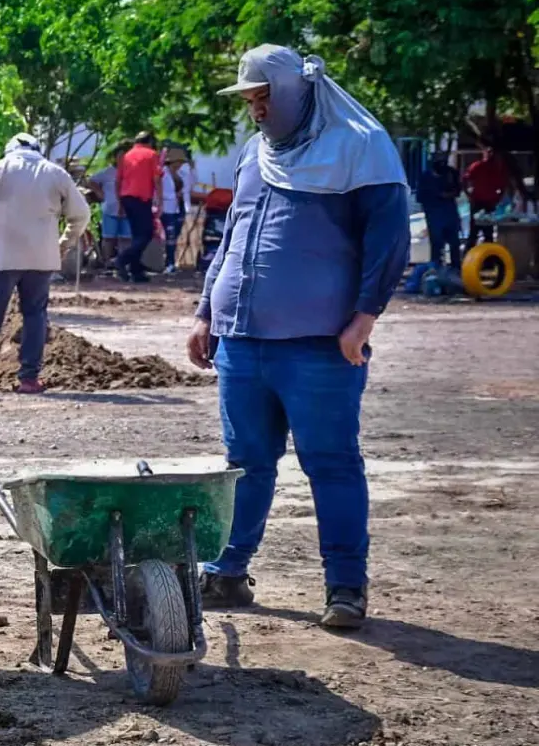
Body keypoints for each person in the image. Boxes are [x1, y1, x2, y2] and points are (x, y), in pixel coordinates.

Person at [188, 45, 410, 630]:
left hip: (321, 346)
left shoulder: (359, 149)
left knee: (331, 463)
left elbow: (389, 241)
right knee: (245, 463)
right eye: (250, 101)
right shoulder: (255, 155)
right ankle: (229, 572)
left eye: (265, 98)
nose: (257, 111)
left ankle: (345, 588)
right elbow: (233, 235)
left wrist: (365, 318)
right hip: (241, 342)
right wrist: (206, 310)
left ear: (295, 93)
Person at [0, 133, 90, 394]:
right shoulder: (55, 173)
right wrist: (63, 243)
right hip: (41, 259)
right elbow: (81, 214)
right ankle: (29, 378)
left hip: (2, 257)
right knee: (35, 314)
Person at [116, 131, 162, 283]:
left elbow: (118, 180)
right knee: (147, 233)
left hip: (127, 197)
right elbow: (157, 179)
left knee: (137, 235)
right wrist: (160, 201)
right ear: (149, 141)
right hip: (141, 198)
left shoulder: (127, 155)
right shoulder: (151, 154)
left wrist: (119, 203)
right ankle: (122, 260)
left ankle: (136, 271)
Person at [87, 140, 133, 269]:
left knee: (126, 238)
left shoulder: (132, 173)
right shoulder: (107, 172)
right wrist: (99, 192)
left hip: (127, 210)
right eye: (120, 156)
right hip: (110, 210)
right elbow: (91, 181)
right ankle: (107, 262)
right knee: (109, 238)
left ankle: (124, 263)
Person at [416, 153, 462, 269]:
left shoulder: (451, 173)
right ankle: (436, 270)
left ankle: (455, 269)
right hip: (434, 214)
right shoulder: (426, 177)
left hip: (450, 213)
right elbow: (420, 197)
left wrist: (448, 195)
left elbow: (457, 191)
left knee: (454, 243)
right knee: (437, 244)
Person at [464, 146, 509, 247]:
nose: (490, 154)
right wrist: (468, 194)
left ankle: (488, 260)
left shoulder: (497, 169)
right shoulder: (477, 166)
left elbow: (502, 186)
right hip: (477, 202)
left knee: (488, 234)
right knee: (473, 232)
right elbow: (465, 179)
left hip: (489, 204)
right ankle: (468, 257)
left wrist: (497, 199)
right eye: (488, 152)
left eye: (491, 152)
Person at [160, 146, 193, 274]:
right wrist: (174, 196)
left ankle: (171, 262)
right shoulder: (163, 173)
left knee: (176, 236)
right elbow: (160, 191)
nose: (179, 164)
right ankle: (168, 262)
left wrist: (192, 168)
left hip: (179, 208)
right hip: (167, 208)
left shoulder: (184, 173)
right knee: (169, 236)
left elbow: (190, 186)